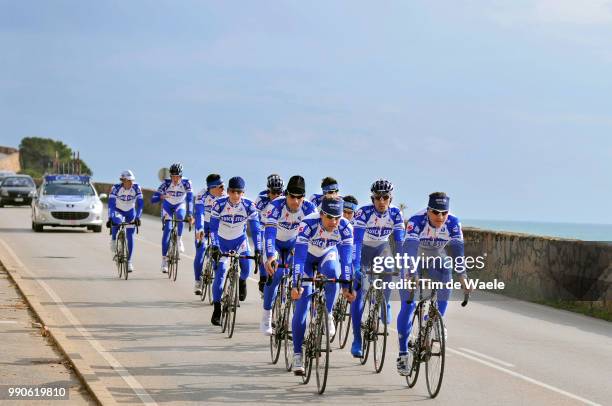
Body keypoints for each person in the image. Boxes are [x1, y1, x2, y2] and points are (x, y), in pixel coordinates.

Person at [396, 192, 467, 376]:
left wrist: (463, 275)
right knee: (408, 305)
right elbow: (410, 249)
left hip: (436, 257)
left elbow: (458, 251)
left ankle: (435, 320)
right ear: (428, 211)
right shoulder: (416, 221)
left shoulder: (453, 222)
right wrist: (411, 274)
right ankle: (403, 353)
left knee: (447, 270)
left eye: (444, 212)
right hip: (413, 258)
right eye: (436, 212)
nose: (440, 217)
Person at [290, 196, 355, 375]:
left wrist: (347, 285)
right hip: (306, 260)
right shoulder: (308, 224)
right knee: (302, 307)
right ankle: (297, 353)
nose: (334, 222)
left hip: (327, 255)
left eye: (338, 217)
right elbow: (300, 257)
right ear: (321, 214)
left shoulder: (345, 227)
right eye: (329, 217)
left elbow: (347, 260)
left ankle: (328, 314)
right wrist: (296, 283)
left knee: (334, 273)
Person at [349, 179, 405, 357]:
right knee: (359, 293)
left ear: (390, 198)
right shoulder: (363, 213)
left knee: (389, 270)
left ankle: (385, 303)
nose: (381, 201)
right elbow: (356, 242)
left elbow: (399, 242)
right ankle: (357, 339)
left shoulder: (396, 214)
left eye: (385, 197)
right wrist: (356, 265)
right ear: (372, 198)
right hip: (363, 250)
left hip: (382, 249)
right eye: (378, 197)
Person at [259, 175, 316, 335]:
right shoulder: (275, 206)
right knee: (276, 274)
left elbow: (313, 237)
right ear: (286, 194)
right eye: (292, 196)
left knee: (300, 276)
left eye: (300, 198)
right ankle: (267, 316)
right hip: (275, 243)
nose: (296, 201)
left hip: (294, 244)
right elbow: (269, 234)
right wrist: (270, 256)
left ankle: (297, 317)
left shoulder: (310, 209)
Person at [208, 176, 262, 326]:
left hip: (240, 241)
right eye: (232, 191)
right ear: (228, 191)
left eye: (239, 192)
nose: (235, 195)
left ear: (243, 193)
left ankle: (242, 281)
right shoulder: (218, 204)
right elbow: (212, 228)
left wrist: (259, 249)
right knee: (219, 275)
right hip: (222, 242)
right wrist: (214, 246)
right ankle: (217, 309)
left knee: (246, 269)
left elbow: (256, 230)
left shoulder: (249, 205)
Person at [150, 163, 194, 273]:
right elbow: (153, 199)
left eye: (177, 176)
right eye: (173, 176)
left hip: (180, 205)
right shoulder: (166, 183)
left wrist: (189, 214)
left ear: (181, 176)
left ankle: (179, 239)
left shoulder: (186, 182)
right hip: (167, 206)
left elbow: (189, 199)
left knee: (180, 216)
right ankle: (164, 260)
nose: (174, 179)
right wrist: (161, 196)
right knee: (167, 230)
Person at [193, 174, 225, 295]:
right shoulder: (202, 195)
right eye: (220, 186)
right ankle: (197, 280)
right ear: (213, 187)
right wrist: (199, 229)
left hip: (216, 229)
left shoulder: (225, 196)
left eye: (223, 186)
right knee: (201, 251)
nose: (223, 189)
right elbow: (200, 213)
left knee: (218, 254)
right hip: (203, 227)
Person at [254, 174, 285, 294]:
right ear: (268, 191)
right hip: (263, 226)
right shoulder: (261, 199)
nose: (277, 195)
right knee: (262, 249)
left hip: (278, 229)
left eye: (279, 192)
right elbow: (254, 218)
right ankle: (263, 277)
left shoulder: (285, 199)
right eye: (274, 192)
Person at [108, 170, 144, 272]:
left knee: (130, 236)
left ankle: (129, 262)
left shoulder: (137, 188)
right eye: (129, 180)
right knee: (117, 222)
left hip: (130, 212)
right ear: (123, 180)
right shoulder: (115, 188)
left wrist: (138, 217)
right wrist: (110, 217)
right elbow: (110, 204)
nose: (131, 182)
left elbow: (140, 204)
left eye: (132, 180)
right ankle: (114, 239)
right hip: (118, 210)